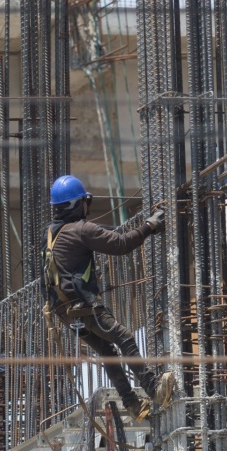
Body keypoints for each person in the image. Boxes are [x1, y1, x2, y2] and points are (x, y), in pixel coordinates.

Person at [42, 175, 174, 421]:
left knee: (107, 351)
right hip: (83, 308)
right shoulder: (81, 230)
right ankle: (154, 388)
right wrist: (150, 225)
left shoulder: (52, 233)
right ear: (78, 204)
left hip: (65, 313)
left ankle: (133, 404)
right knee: (124, 337)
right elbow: (121, 244)